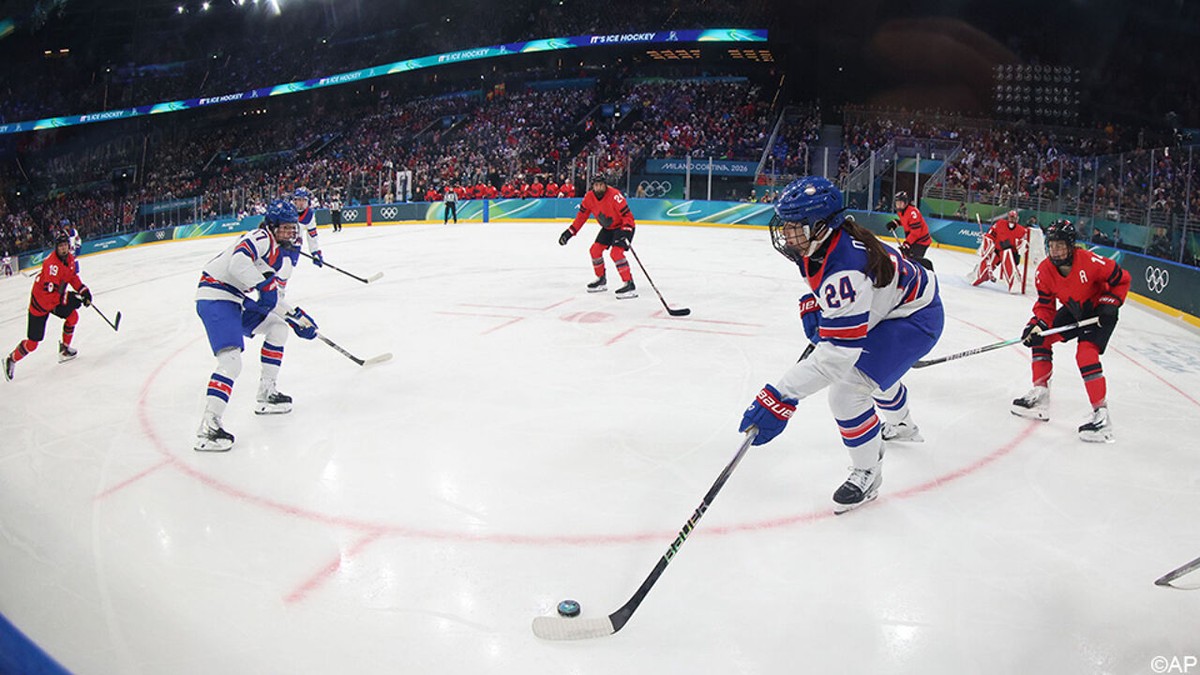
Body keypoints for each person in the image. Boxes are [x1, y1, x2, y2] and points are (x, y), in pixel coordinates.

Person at [737, 176, 944, 514]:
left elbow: (836, 359)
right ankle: (903, 423)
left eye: (796, 225)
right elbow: (834, 290)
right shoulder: (822, 243)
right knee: (873, 372)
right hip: (897, 306)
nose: (787, 233)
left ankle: (868, 472)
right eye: (786, 224)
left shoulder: (845, 271)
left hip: (916, 318)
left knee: (848, 391)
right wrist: (816, 302)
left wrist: (781, 395)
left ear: (821, 226)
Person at [193, 200, 319, 452]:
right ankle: (208, 428)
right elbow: (237, 264)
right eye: (285, 228)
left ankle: (266, 393)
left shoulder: (272, 252)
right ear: (271, 226)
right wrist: (264, 287)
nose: (292, 233)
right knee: (230, 361)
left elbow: (273, 298)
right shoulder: (260, 237)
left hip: (234, 300)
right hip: (215, 297)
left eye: (293, 228)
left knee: (278, 328)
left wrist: (296, 318)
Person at [1012, 219, 1129, 442]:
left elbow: (1122, 279)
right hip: (1075, 310)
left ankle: (1102, 416)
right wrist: (1036, 325)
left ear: (1071, 245)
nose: (1055, 251)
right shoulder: (1045, 270)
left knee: (1085, 354)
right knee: (1041, 340)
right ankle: (1041, 396)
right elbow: (1045, 307)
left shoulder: (1091, 261)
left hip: (1099, 313)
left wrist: (1110, 303)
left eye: (1060, 245)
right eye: (1051, 245)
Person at [4, 232, 93, 381]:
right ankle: (11, 359)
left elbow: (72, 277)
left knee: (73, 317)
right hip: (40, 304)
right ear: (56, 248)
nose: (63, 249)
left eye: (65, 245)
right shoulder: (52, 266)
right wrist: (70, 298)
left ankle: (64, 350)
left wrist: (83, 291)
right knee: (33, 344)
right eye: (60, 246)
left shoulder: (70, 259)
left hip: (55, 300)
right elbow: (49, 296)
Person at [557, 175, 638, 298]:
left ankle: (629, 284)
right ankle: (601, 279)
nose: (599, 188)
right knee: (595, 251)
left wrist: (625, 231)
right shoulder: (589, 197)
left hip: (623, 227)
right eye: (596, 185)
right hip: (608, 228)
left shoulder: (615, 195)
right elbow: (581, 217)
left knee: (616, 253)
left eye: (601, 185)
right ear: (592, 186)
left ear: (605, 185)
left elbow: (628, 216)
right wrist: (569, 233)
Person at [971, 209, 1028, 289]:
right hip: (997, 252)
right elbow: (991, 234)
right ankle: (978, 277)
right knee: (984, 273)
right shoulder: (1000, 223)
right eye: (1011, 217)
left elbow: (1023, 244)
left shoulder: (1022, 230)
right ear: (1008, 218)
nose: (1012, 220)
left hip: (1010, 255)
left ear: (1017, 219)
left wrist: (1019, 247)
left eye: (1014, 218)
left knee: (1008, 262)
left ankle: (1015, 283)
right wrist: (986, 239)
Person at [888, 191, 934, 270]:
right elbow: (906, 222)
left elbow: (916, 232)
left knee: (914, 261)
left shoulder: (912, 212)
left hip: (921, 241)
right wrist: (896, 223)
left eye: (900, 203)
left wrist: (907, 244)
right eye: (897, 203)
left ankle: (927, 270)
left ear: (905, 203)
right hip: (914, 240)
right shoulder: (902, 211)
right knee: (908, 258)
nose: (898, 205)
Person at [291, 187, 325, 267]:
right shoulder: (287, 211)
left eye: (304, 200)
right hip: (280, 245)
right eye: (299, 200)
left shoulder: (309, 215)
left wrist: (315, 252)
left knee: (287, 270)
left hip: (295, 246)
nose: (301, 203)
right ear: (295, 201)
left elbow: (312, 235)